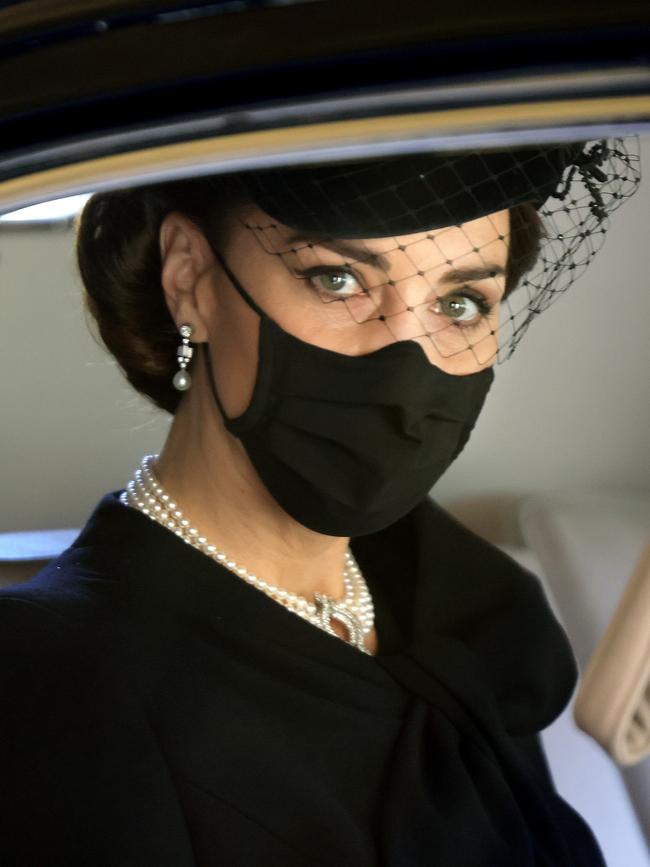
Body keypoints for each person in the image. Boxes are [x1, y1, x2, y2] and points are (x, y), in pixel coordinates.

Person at [0, 140, 640, 866]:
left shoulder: (472, 609)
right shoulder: (52, 685)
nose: (405, 360)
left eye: (460, 302)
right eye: (338, 279)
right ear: (190, 278)